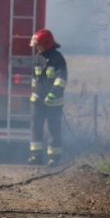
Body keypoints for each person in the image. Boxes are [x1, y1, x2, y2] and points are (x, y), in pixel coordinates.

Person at [28, 29, 67, 166]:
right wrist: (35, 95)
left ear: (47, 43)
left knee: (53, 130)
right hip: (38, 102)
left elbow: (61, 79)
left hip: (53, 103)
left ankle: (53, 158)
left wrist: (52, 94)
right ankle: (36, 156)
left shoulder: (57, 59)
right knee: (35, 128)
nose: (37, 48)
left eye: (38, 45)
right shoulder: (37, 58)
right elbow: (35, 80)